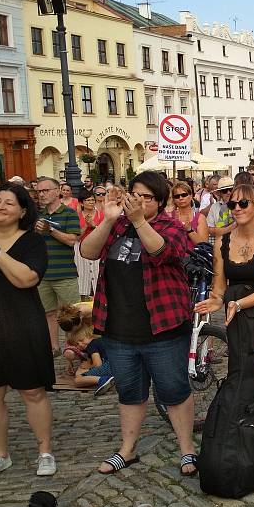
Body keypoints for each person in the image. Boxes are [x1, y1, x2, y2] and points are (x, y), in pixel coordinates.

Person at [80, 171, 197, 476]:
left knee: (173, 389)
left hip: (164, 328)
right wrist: (106, 219)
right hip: (119, 329)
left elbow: (162, 251)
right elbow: (87, 252)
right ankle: (127, 449)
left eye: (147, 197)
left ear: (159, 202)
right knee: (130, 391)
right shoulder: (115, 227)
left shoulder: (170, 225)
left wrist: (139, 221)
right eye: (135, 194)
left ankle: (187, 449)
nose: (139, 201)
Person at [196, 184, 254, 473]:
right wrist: (215, 300)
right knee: (241, 376)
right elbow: (220, 285)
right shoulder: (221, 243)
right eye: (233, 204)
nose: (237, 209)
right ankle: (243, 432)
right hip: (238, 318)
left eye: (244, 204)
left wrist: (239, 303)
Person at [0, 183, 57, 477]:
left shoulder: (32, 242)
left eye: (8, 202)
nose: (0, 206)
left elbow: (26, 279)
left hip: (22, 324)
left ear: (22, 211)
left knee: (32, 392)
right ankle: (0, 454)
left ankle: (44, 451)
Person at [34, 177, 81, 354]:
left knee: (73, 314)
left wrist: (51, 230)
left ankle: (77, 347)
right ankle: (54, 348)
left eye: (45, 190)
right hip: (43, 274)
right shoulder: (39, 215)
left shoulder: (69, 213)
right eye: (39, 191)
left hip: (65, 273)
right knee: (48, 313)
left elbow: (71, 240)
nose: (42, 194)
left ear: (57, 191)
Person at [58, 304, 114, 395]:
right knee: (80, 371)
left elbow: (98, 365)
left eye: (81, 340)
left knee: (77, 379)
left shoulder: (92, 345)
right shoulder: (99, 341)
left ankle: (103, 380)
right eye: (77, 344)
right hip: (118, 363)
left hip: (111, 366)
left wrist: (88, 367)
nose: (80, 344)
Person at [74, 191, 103, 300]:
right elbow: (76, 237)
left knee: (97, 274)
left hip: (96, 246)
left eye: (92, 200)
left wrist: (94, 225)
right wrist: (86, 225)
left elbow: (103, 233)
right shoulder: (76, 216)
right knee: (82, 275)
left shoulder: (101, 214)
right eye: (88, 200)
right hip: (80, 247)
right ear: (81, 203)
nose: (91, 202)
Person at [169, 181, 208, 251]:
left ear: (191, 196)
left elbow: (204, 245)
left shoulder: (200, 217)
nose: (180, 198)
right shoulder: (169, 217)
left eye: (184, 195)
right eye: (177, 196)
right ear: (174, 200)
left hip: (195, 259)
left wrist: (189, 230)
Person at [207, 176, 235, 243]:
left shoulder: (241, 205)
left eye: (230, 189)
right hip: (221, 244)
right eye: (225, 191)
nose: (228, 192)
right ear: (220, 193)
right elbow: (210, 229)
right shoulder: (214, 207)